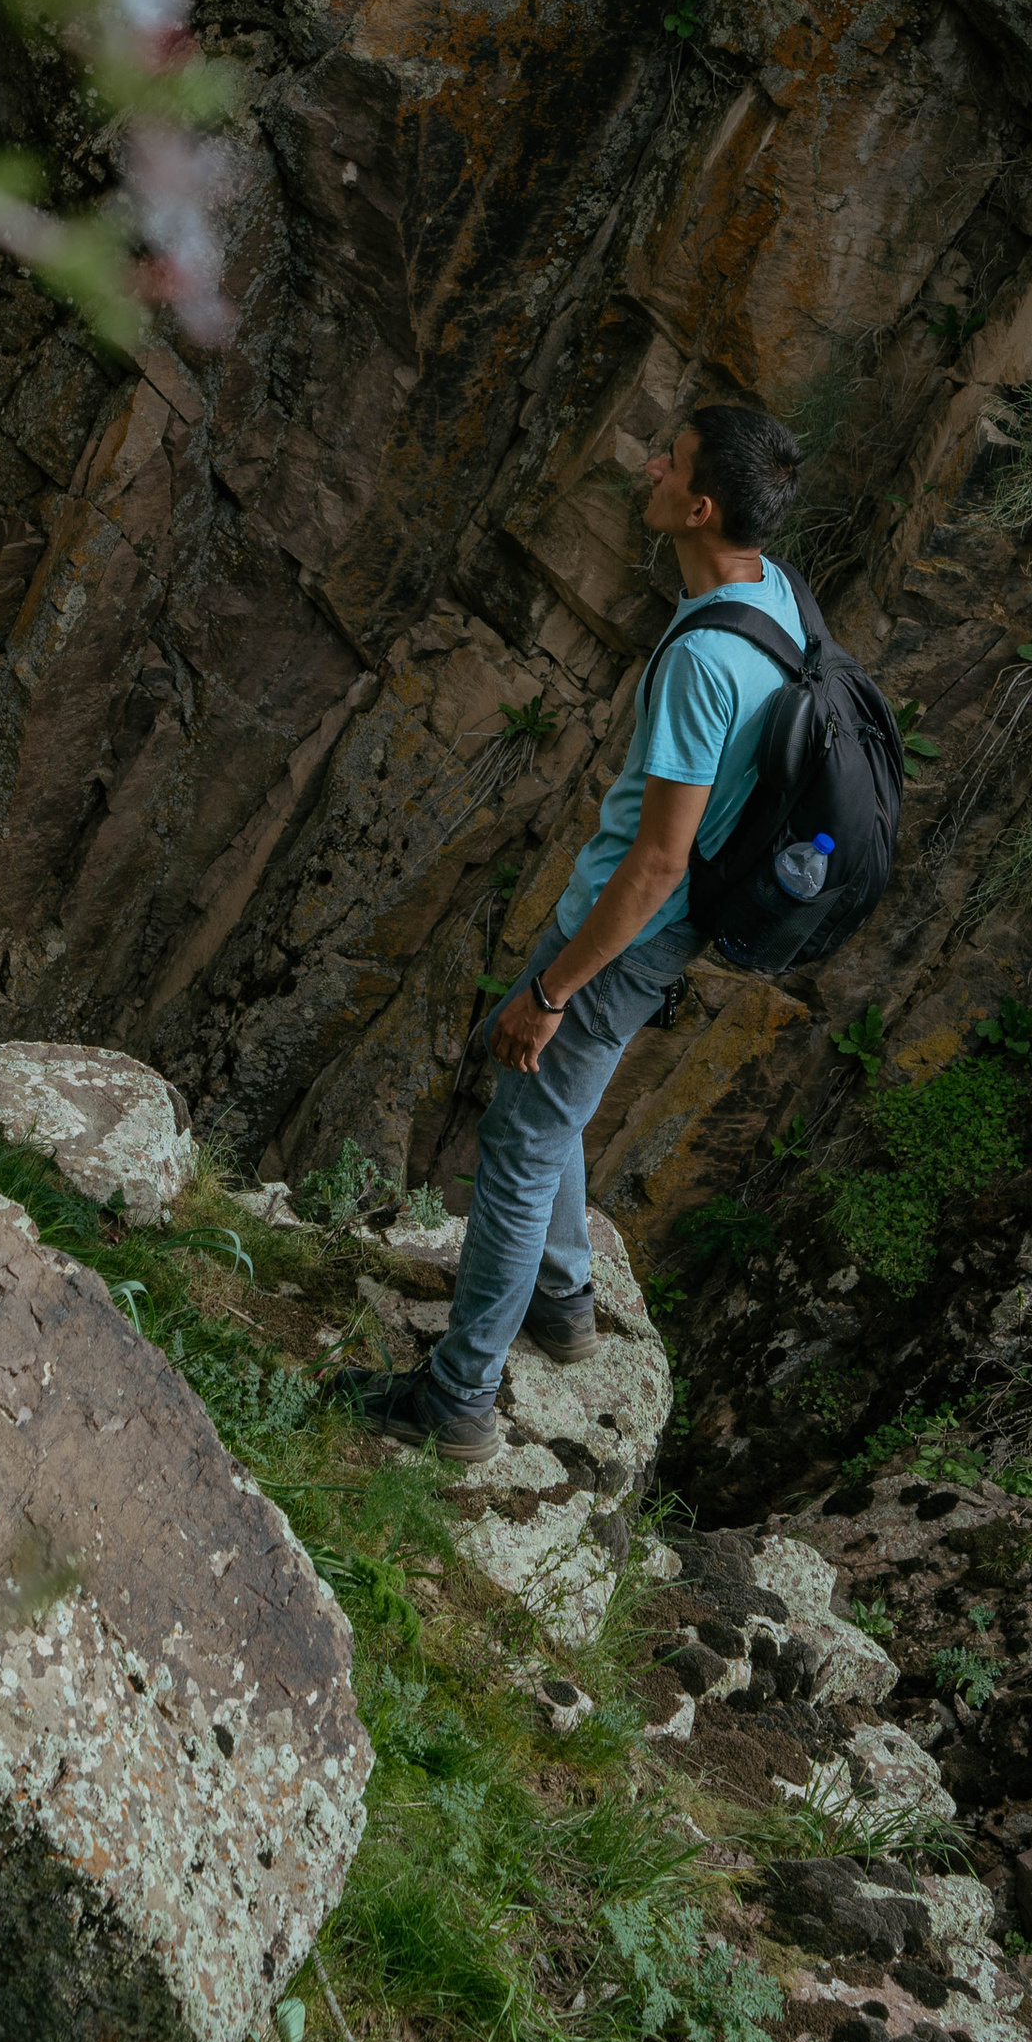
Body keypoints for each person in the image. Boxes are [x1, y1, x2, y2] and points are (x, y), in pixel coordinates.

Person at [329, 401, 805, 1454]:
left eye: (666, 460)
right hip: (660, 932)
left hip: (626, 937)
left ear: (699, 503)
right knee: (549, 1113)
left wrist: (552, 992)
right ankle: (563, 1303)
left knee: (516, 1147)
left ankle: (456, 1404)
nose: (646, 463)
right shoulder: (777, 600)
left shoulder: (701, 664)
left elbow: (656, 863)